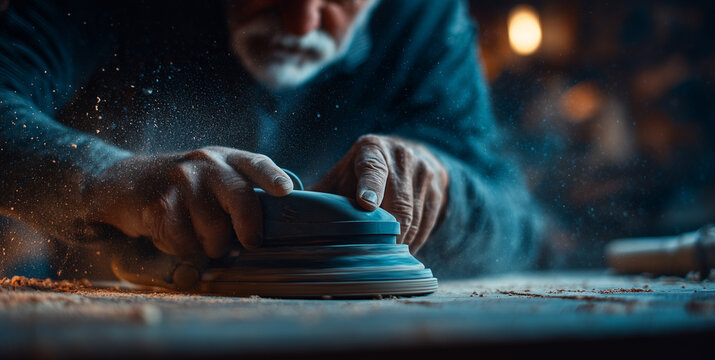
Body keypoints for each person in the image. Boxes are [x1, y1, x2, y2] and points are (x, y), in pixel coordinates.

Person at [0, 0, 542, 278]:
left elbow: (517, 219)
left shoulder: (425, 16)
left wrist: (445, 188)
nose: (301, 19)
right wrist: (110, 179)